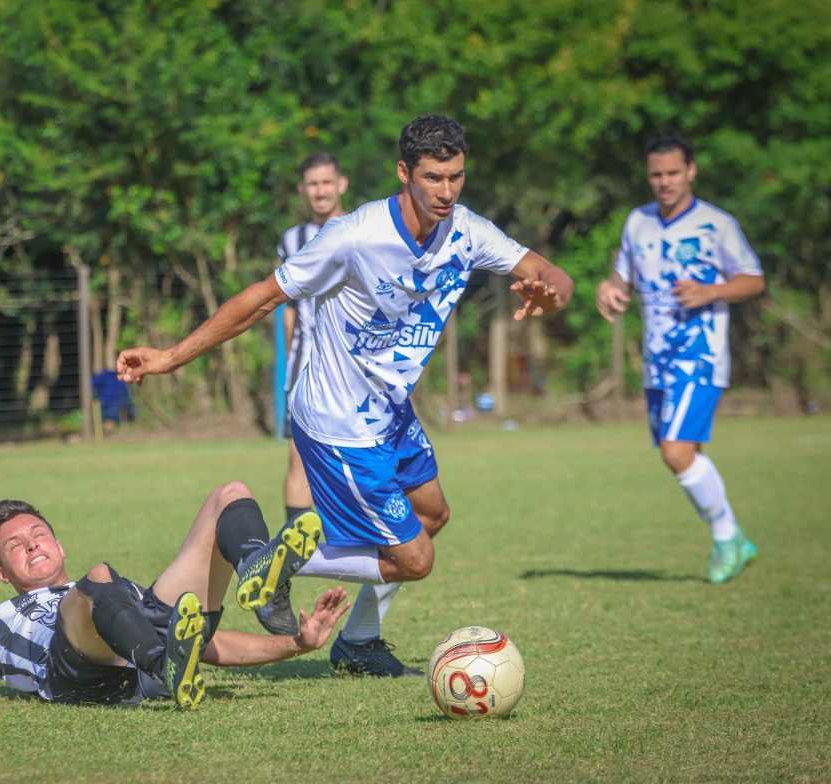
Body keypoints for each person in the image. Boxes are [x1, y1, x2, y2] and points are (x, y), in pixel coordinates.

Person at [117, 115, 573, 676]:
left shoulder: (467, 230)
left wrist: (552, 293)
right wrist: (169, 356)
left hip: (389, 412)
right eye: (433, 178)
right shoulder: (354, 236)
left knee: (432, 513)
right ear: (404, 173)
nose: (446, 192)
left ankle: (358, 643)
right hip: (337, 421)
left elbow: (546, 270)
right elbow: (262, 299)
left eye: (456, 177)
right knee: (415, 560)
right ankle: (262, 561)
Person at [0, 484, 345, 714]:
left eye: (37, 532)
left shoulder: (114, 587)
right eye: (15, 545)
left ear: (57, 542)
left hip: (138, 627)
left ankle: (258, 569)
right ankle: (163, 666)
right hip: (75, 672)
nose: (31, 543)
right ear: (2, 573)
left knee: (229, 492)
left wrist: (296, 644)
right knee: (96, 583)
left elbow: (206, 643)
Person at [596, 129, 765, 584]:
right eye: (657, 174)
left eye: (673, 172)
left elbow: (753, 279)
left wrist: (710, 291)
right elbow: (621, 275)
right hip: (658, 359)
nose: (665, 182)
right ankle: (731, 539)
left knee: (676, 452)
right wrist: (610, 289)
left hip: (701, 355)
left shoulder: (717, 224)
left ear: (691, 171)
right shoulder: (638, 221)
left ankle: (729, 536)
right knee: (685, 453)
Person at [256, 151, 349, 637]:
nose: (319, 190)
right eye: (311, 183)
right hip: (305, 368)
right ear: (302, 190)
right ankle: (289, 559)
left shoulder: (358, 230)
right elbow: (287, 308)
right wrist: (289, 365)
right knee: (298, 464)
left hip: (352, 372)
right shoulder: (291, 239)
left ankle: (321, 550)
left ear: (342, 184)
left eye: (326, 182)